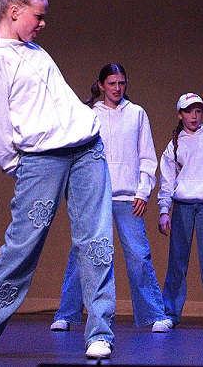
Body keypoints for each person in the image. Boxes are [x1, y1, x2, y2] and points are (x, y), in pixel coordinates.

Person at [0, 0, 116, 360]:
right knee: (22, 245)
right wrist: (17, 164)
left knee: (96, 241)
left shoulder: (37, 52)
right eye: (38, 16)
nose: (43, 23)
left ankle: (100, 333)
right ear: (14, 12)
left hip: (87, 149)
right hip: (42, 158)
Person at [50, 64, 167, 333]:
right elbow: (78, 156)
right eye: (112, 83)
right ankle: (66, 313)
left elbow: (147, 156)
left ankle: (154, 314)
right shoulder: (89, 114)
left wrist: (143, 191)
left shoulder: (137, 114)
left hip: (128, 197)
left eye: (121, 83)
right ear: (101, 85)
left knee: (139, 256)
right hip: (96, 196)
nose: (117, 88)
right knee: (82, 254)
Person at [157, 93, 203, 330]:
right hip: (182, 207)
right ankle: (170, 312)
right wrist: (164, 210)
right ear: (180, 115)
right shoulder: (174, 145)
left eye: (198, 111)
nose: (194, 116)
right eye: (189, 111)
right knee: (177, 262)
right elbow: (167, 181)